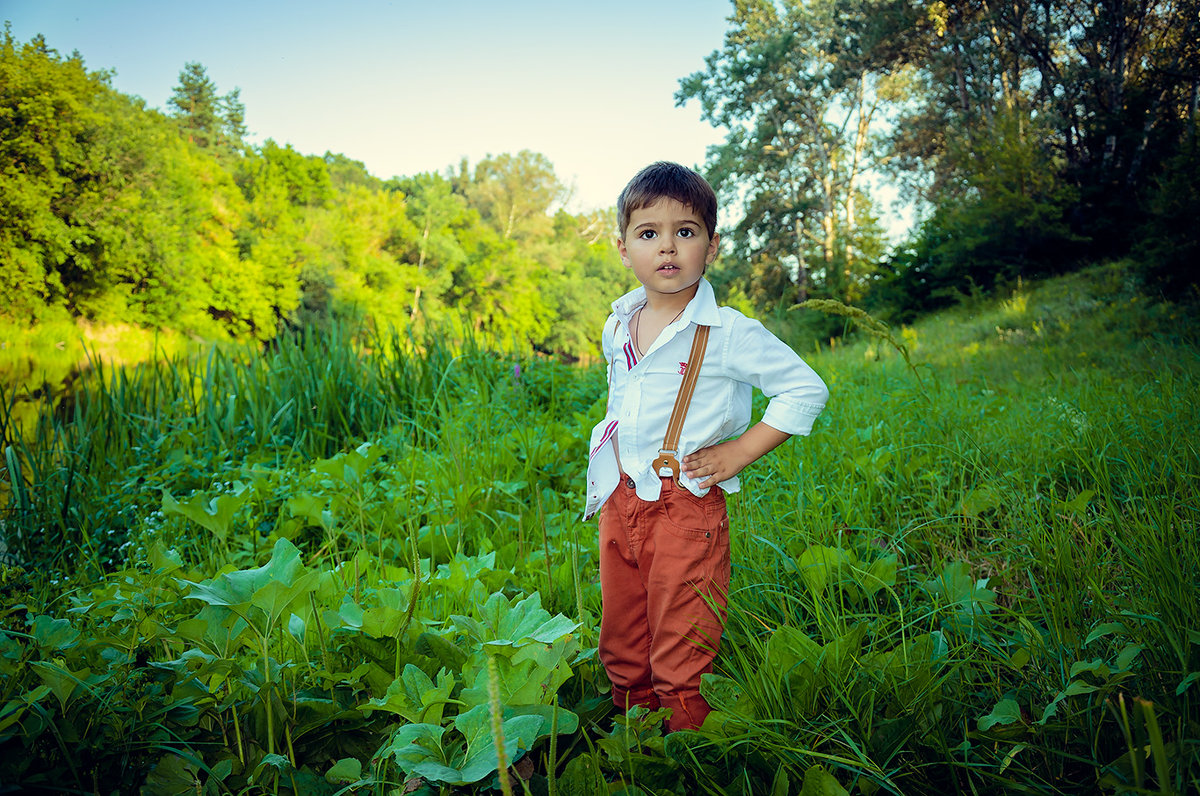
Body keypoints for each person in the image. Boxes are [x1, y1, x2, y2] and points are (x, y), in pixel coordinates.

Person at [584, 162, 829, 732]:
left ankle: (686, 748)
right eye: (649, 234)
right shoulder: (618, 324)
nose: (667, 247)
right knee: (622, 635)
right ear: (624, 248)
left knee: (681, 640)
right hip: (621, 500)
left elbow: (805, 388)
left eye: (685, 232)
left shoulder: (728, 332)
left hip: (685, 506)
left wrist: (741, 450)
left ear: (710, 246)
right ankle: (635, 736)